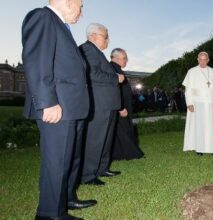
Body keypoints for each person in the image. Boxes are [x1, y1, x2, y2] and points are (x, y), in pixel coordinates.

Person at [21, 0, 96, 219]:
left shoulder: (61, 26)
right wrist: (47, 102)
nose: (81, 13)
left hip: (72, 106)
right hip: (58, 106)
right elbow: (37, 61)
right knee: (57, 160)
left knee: (71, 157)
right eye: (80, 6)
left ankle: (67, 199)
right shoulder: (43, 17)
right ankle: (50, 213)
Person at [79, 23, 124, 185]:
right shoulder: (87, 50)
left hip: (108, 104)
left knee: (106, 139)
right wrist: (115, 78)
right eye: (105, 36)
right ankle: (88, 175)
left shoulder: (97, 52)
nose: (108, 40)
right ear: (93, 36)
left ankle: (102, 168)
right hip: (99, 104)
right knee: (95, 139)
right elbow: (91, 74)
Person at [182, 51, 213, 156]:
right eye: (201, 59)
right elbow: (188, 89)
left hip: (211, 103)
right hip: (197, 103)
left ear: (208, 60)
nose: (203, 62)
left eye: (205, 60)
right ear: (197, 59)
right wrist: (189, 103)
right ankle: (199, 148)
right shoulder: (192, 71)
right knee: (198, 126)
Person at [110, 48, 144, 160]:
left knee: (121, 131)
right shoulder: (112, 69)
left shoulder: (117, 69)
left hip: (122, 106)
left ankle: (120, 154)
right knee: (124, 131)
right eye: (124, 58)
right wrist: (120, 107)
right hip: (120, 107)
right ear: (116, 58)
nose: (126, 60)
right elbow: (114, 90)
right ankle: (131, 153)